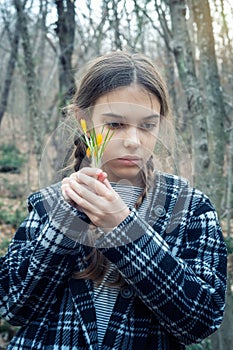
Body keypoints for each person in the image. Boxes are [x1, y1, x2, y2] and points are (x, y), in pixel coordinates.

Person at [0, 51, 227, 350]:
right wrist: (68, 216)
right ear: (84, 122)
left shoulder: (190, 208)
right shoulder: (49, 203)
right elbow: (14, 307)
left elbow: (201, 321)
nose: (133, 141)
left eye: (147, 125)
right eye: (115, 125)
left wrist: (124, 228)